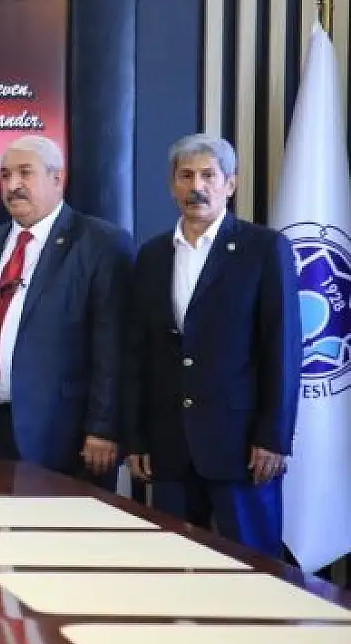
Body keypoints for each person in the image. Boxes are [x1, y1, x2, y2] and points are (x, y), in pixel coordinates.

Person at [123, 133, 300, 557]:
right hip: (170, 445)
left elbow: (282, 349)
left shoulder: (263, 249)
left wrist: (273, 437)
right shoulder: (151, 256)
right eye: (185, 176)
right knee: (176, 567)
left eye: (207, 176)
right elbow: (138, 353)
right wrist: (137, 437)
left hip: (241, 446)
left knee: (253, 567)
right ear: (172, 185)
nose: (196, 187)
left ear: (230, 184)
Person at [0, 135, 134, 487]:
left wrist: (103, 427)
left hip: (65, 436)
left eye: (25, 173)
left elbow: (112, 345)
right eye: (5, 175)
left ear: (57, 179)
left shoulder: (100, 244)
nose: (13, 186)